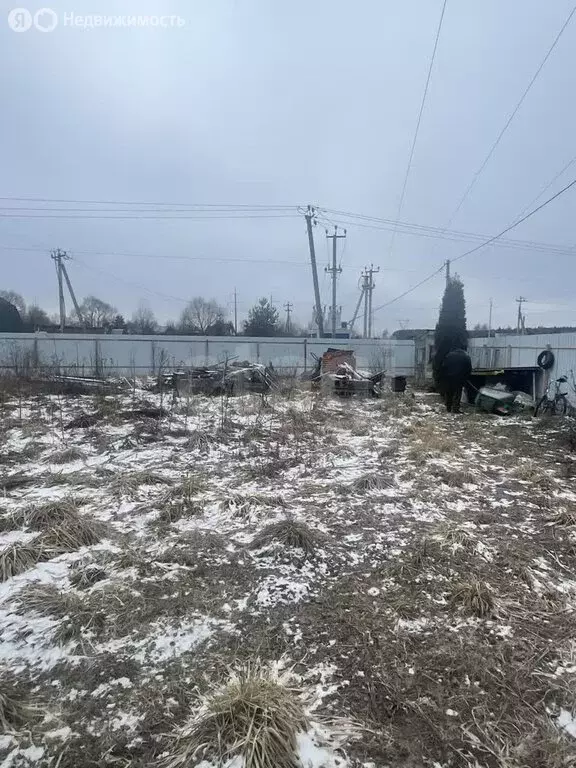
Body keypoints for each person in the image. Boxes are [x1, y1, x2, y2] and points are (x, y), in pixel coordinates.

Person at [440, 348, 472, 413]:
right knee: (457, 393)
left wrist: (444, 376)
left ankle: (448, 407)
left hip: (448, 377)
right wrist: (466, 377)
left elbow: (443, 366)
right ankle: (455, 408)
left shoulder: (449, 355)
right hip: (459, 378)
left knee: (449, 393)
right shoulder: (466, 356)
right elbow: (469, 368)